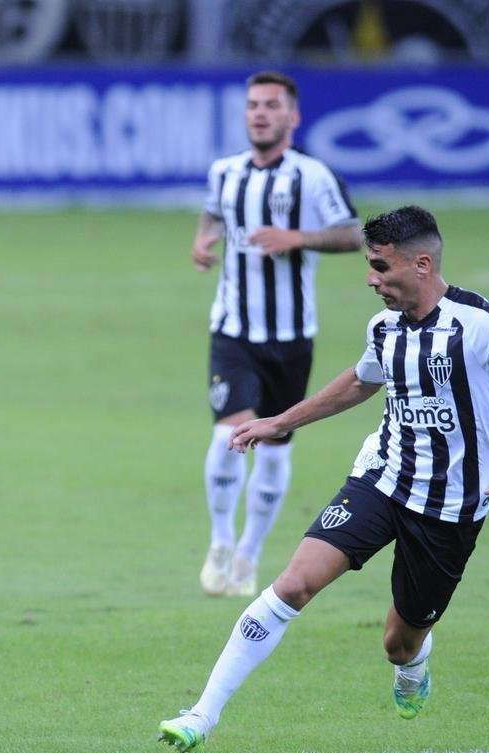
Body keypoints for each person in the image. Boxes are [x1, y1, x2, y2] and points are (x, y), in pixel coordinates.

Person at [159, 205, 489, 753]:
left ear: (420, 264)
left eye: (380, 267)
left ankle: (415, 661)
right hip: (380, 479)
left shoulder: (480, 325)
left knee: (398, 643)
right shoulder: (384, 328)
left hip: (450, 507)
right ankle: (201, 715)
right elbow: (360, 382)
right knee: (293, 584)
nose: (371, 278)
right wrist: (279, 422)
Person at [192, 70, 362, 597]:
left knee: (274, 445)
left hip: (291, 337)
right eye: (252, 105)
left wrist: (298, 237)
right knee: (228, 434)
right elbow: (214, 213)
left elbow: (353, 233)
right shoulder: (225, 171)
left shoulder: (312, 175)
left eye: (271, 105)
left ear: (293, 116)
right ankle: (221, 540)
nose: (260, 113)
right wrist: (203, 240)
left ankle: (249, 553)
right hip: (233, 330)